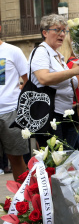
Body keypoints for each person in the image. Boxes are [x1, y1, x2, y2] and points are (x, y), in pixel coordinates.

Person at [29, 14, 79, 150]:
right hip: (50, 116)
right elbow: (43, 78)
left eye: (64, 30)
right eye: (57, 30)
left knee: (73, 158)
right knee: (57, 161)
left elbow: (65, 82)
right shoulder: (41, 52)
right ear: (45, 32)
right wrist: (75, 71)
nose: (62, 34)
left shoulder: (58, 55)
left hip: (65, 114)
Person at [0, 25, 29, 181]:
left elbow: (27, 80)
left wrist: (18, 99)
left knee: (16, 157)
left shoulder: (13, 51)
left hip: (10, 112)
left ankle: (24, 200)